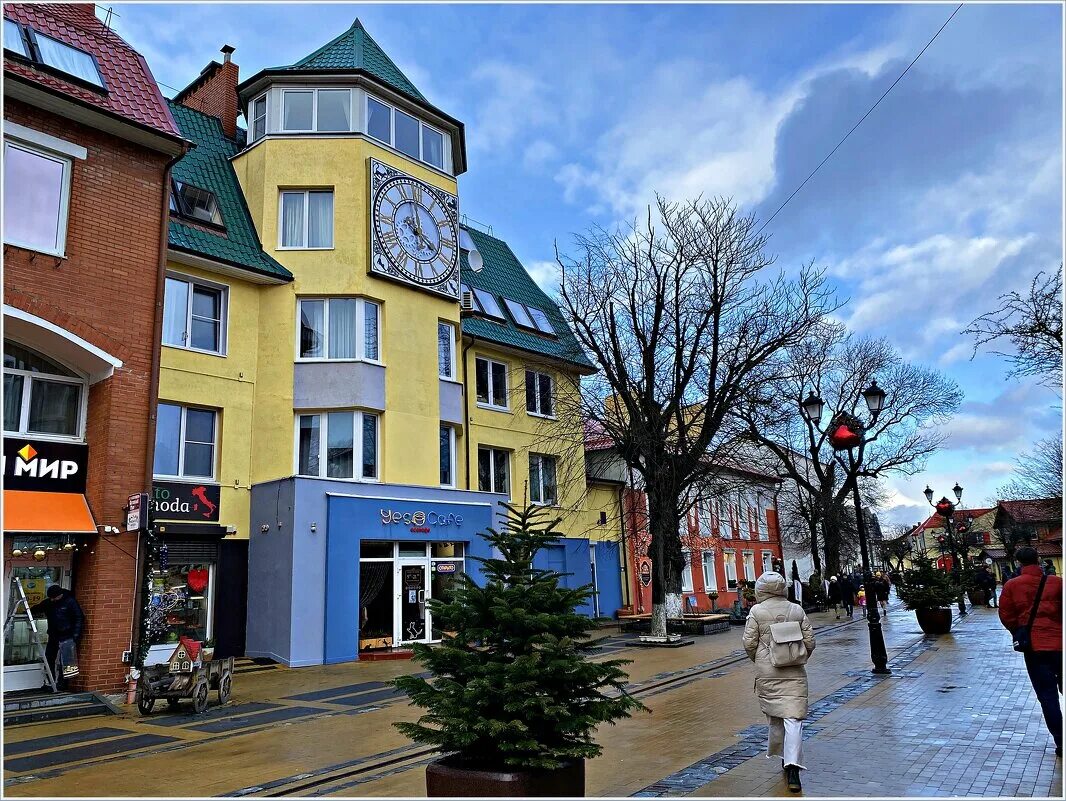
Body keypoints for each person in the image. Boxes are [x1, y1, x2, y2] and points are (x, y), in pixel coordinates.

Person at [743, 571, 816, 793]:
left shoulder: (756, 611)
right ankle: (792, 767)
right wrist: (797, 657)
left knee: (776, 716)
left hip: (768, 672)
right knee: (793, 718)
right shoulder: (796, 609)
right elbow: (810, 641)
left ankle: (785, 758)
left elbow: (749, 642)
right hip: (794, 671)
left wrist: (760, 659)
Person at [998, 547, 1063, 757]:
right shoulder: (1057, 583)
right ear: (1039, 559)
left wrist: (1019, 630)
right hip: (1061, 644)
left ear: (1019, 563)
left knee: (1047, 696)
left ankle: (1061, 741)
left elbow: (1006, 614)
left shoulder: (1012, 585)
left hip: (1034, 647)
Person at [30, 585, 84, 692]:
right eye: (50, 598)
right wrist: (27, 611)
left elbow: (79, 617)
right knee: (49, 658)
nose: (52, 599)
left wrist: (75, 636)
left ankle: (63, 684)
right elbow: (38, 608)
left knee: (66, 661)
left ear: (60, 595)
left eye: (54, 597)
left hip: (67, 635)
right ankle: (50, 682)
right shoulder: (49, 602)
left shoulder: (70, 601)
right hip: (54, 635)